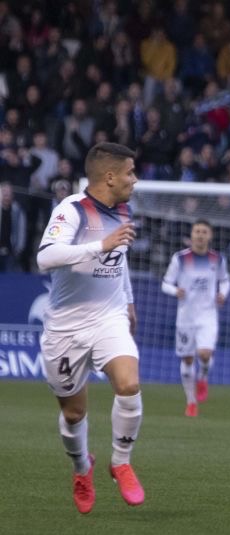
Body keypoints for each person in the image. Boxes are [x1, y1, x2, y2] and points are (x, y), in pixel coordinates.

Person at [36, 142, 144, 514]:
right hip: (66, 326)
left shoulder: (124, 210)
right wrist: (98, 245)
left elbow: (120, 257)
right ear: (110, 176)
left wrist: (128, 299)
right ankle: (83, 467)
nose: (135, 179)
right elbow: (46, 256)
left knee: (129, 383)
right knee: (73, 414)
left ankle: (121, 460)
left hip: (108, 315)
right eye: (130, 172)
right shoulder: (72, 210)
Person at [161, 219, 230, 417]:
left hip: (208, 314)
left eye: (204, 232)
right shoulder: (180, 259)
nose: (200, 235)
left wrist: (222, 294)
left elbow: (225, 281)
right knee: (188, 359)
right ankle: (191, 402)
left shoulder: (217, 259)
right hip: (185, 316)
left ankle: (203, 377)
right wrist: (176, 291)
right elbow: (165, 284)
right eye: (197, 231)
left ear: (210, 236)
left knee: (205, 354)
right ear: (191, 235)